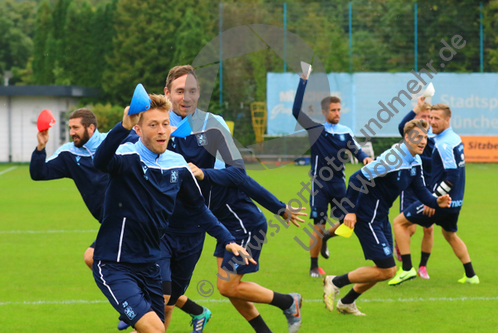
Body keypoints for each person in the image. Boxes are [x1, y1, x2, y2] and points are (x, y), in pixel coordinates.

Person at [92, 94, 254, 333]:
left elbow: (198, 208)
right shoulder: (127, 156)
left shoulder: (177, 163)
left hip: (150, 265)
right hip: (116, 264)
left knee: (154, 329)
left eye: (165, 124)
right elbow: (100, 161)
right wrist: (121, 127)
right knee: (155, 329)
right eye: (153, 125)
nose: (161, 131)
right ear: (137, 128)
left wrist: (227, 239)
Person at [323, 119, 451, 316]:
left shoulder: (415, 160)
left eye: (425, 137)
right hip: (366, 216)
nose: (423, 141)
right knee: (388, 270)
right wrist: (350, 211)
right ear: (407, 138)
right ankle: (334, 281)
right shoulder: (393, 159)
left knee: (381, 268)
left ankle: (347, 302)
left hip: (380, 216)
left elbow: (421, 191)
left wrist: (436, 202)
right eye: (418, 137)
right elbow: (357, 178)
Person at [159, 65, 249, 332]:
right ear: (167, 93)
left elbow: (238, 171)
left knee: (169, 300)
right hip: (156, 225)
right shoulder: (155, 122)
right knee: (158, 296)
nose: (186, 98)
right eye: (179, 91)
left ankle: (193, 313)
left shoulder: (213, 125)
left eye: (192, 91)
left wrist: (204, 173)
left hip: (193, 227)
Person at [189, 162, 307, 333]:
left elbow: (245, 181)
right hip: (225, 230)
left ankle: (288, 302)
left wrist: (280, 208)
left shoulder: (216, 162)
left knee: (227, 286)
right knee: (230, 290)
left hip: (246, 227)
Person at [388, 104, 479, 286]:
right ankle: (471, 275)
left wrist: (433, 200)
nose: (432, 122)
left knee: (399, 222)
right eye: (431, 118)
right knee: (450, 234)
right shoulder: (453, 138)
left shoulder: (444, 143)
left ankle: (407, 269)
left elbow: (451, 176)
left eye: (437, 118)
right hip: (455, 202)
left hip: (442, 201)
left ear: (447, 120)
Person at [292, 74, 373, 278]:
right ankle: (313, 266)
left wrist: (365, 159)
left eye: (339, 109)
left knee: (348, 222)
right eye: (333, 110)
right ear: (324, 111)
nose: (337, 113)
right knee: (317, 226)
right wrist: (303, 80)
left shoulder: (345, 132)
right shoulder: (316, 129)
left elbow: (357, 151)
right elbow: (295, 111)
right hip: (320, 185)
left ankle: (328, 237)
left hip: (338, 185)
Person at [30, 108, 117, 269]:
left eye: (76, 128)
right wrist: (41, 147)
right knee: (96, 261)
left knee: (93, 258)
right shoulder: (68, 153)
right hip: (109, 223)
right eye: (70, 128)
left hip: (129, 218)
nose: (72, 132)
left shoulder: (113, 142)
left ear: (91, 128)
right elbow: (39, 173)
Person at [394, 96, 435, 279]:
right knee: (408, 228)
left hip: (428, 189)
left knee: (429, 228)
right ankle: (401, 248)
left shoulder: (432, 140)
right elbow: (402, 126)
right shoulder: (412, 136)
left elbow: (435, 166)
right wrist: (416, 107)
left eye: (429, 116)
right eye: (423, 115)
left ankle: (422, 266)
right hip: (411, 188)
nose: (427, 119)